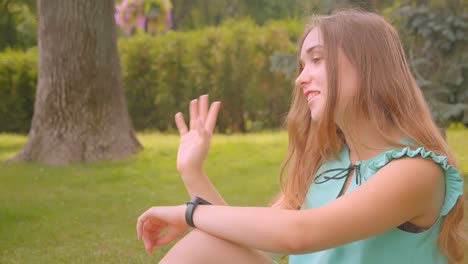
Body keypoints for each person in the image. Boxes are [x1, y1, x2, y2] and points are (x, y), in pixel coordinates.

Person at [136, 9, 465, 264]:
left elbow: (298, 235)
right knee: (206, 243)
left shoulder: (417, 171)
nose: (301, 79)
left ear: (368, 66)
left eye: (317, 60)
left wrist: (188, 212)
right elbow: (258, 240)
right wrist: (193, 173)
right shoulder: (329, 161)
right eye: (301, 66)